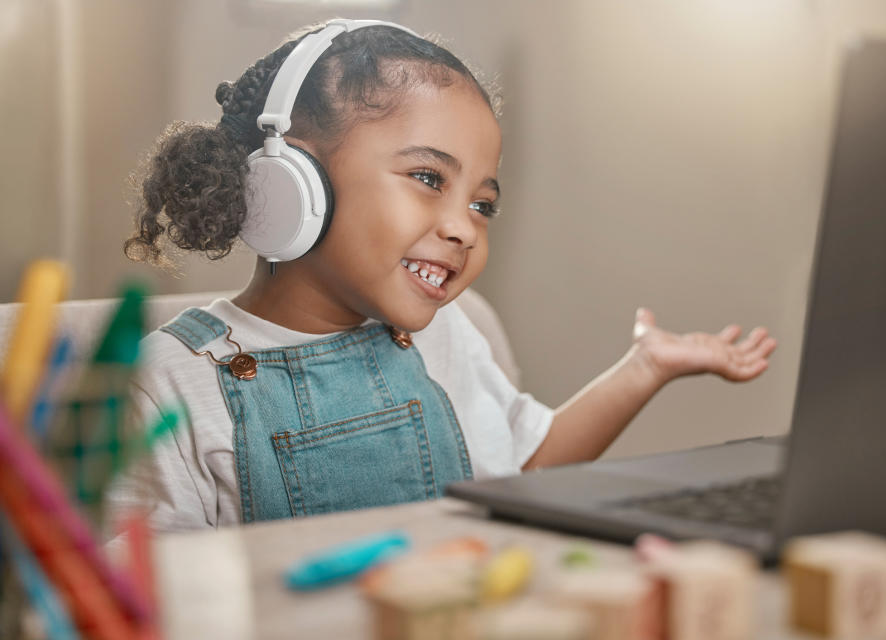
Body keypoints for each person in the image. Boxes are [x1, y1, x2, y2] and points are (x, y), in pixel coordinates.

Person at [107, 20, 776, 532]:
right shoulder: (170, 379)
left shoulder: (444, 335)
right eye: (428, 178)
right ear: (287, 182)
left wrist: (644, 368)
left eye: (482, 204)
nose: (464, 228)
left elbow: (526, 471)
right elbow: (142, 595)